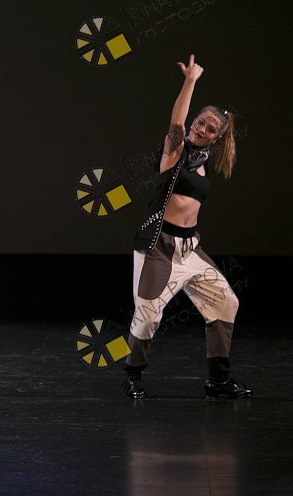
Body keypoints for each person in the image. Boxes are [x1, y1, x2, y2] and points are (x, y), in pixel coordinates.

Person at [123, 55, 251, 400]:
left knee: (225, 303)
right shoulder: (175, 151)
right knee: (148, 316)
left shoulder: (203, 166)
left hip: (189, 249)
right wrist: (190, 80)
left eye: (210, 129)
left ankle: (218, 381)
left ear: (216, 138)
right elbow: (176, 122)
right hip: (159, 246)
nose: (201, 129)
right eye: (200, 122)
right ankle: (133, 374)